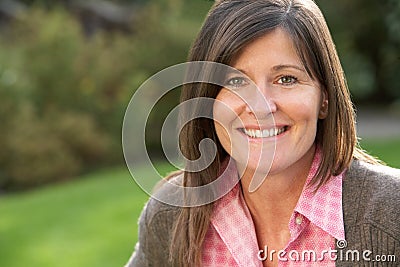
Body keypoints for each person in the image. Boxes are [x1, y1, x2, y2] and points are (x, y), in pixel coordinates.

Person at [125, 0, 400, 266]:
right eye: (235, 81)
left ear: (324, 98)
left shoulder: (392, 214)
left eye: (286, 79)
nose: (261, 106)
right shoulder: (171, 217)